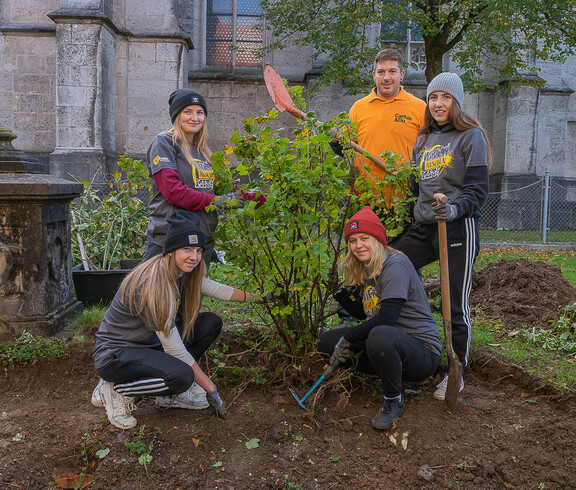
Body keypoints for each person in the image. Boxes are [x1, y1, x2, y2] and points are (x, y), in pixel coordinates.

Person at [92, 210, 257, 429]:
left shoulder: (181, 272)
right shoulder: (154, 283)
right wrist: (210, 387)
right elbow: (174, 348)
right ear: (171, 250)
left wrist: (259, 298)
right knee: (182, 377)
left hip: (148, 347)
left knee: (210, 323)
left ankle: (166, 395)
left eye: (199, 250)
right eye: (187, 249)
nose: (194, 257)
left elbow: (217, 289)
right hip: (116, 355)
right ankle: (116, 391)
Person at [393, 72, 491, 401]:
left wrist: (454, 209)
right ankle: (408, 346)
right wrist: (404, 226)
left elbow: (477, 191)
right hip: (424, 228)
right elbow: (415, 191)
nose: (438, 103)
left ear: (456, 102)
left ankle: (455, 371)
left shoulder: (471, 137)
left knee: (455, 304)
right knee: (389, 265)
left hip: (458, 228)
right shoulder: (423, 140)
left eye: (445, 98)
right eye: (434, 97)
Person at [319, 206, 442, 430]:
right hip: (391, 344)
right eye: (353, 240)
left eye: (364, 238)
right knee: (326, 341)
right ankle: (387, 372)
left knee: (378, 334)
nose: (358, 245)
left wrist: (348, 339)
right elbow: (363, 312)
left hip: (421, 354)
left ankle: (392, 399)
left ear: (377, 239)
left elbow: (386, 318)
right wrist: (338, 292)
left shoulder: (394, 265)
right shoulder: (369, 267)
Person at [143, 88, 264, 265]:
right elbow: (173, 191)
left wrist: (268, 199)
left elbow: (229, 190)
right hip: (169, 241)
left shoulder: (204, 153)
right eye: (188, 112)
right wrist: (216, 201)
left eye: (200, 112)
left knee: (193, 293)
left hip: (199, 243)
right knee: (155, 293)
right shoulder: (165, 143)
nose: (195, 118)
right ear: (177, 115)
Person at [333, 49, 426, 207]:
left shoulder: (419, 108)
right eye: (381, 72)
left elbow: (427, 152)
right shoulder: (358, 108)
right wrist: (335, 142)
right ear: (373, 75)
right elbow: (347, 150)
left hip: (405, 200)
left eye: (392, 71)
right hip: (365, 198)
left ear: (402, 74)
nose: (386, 78)